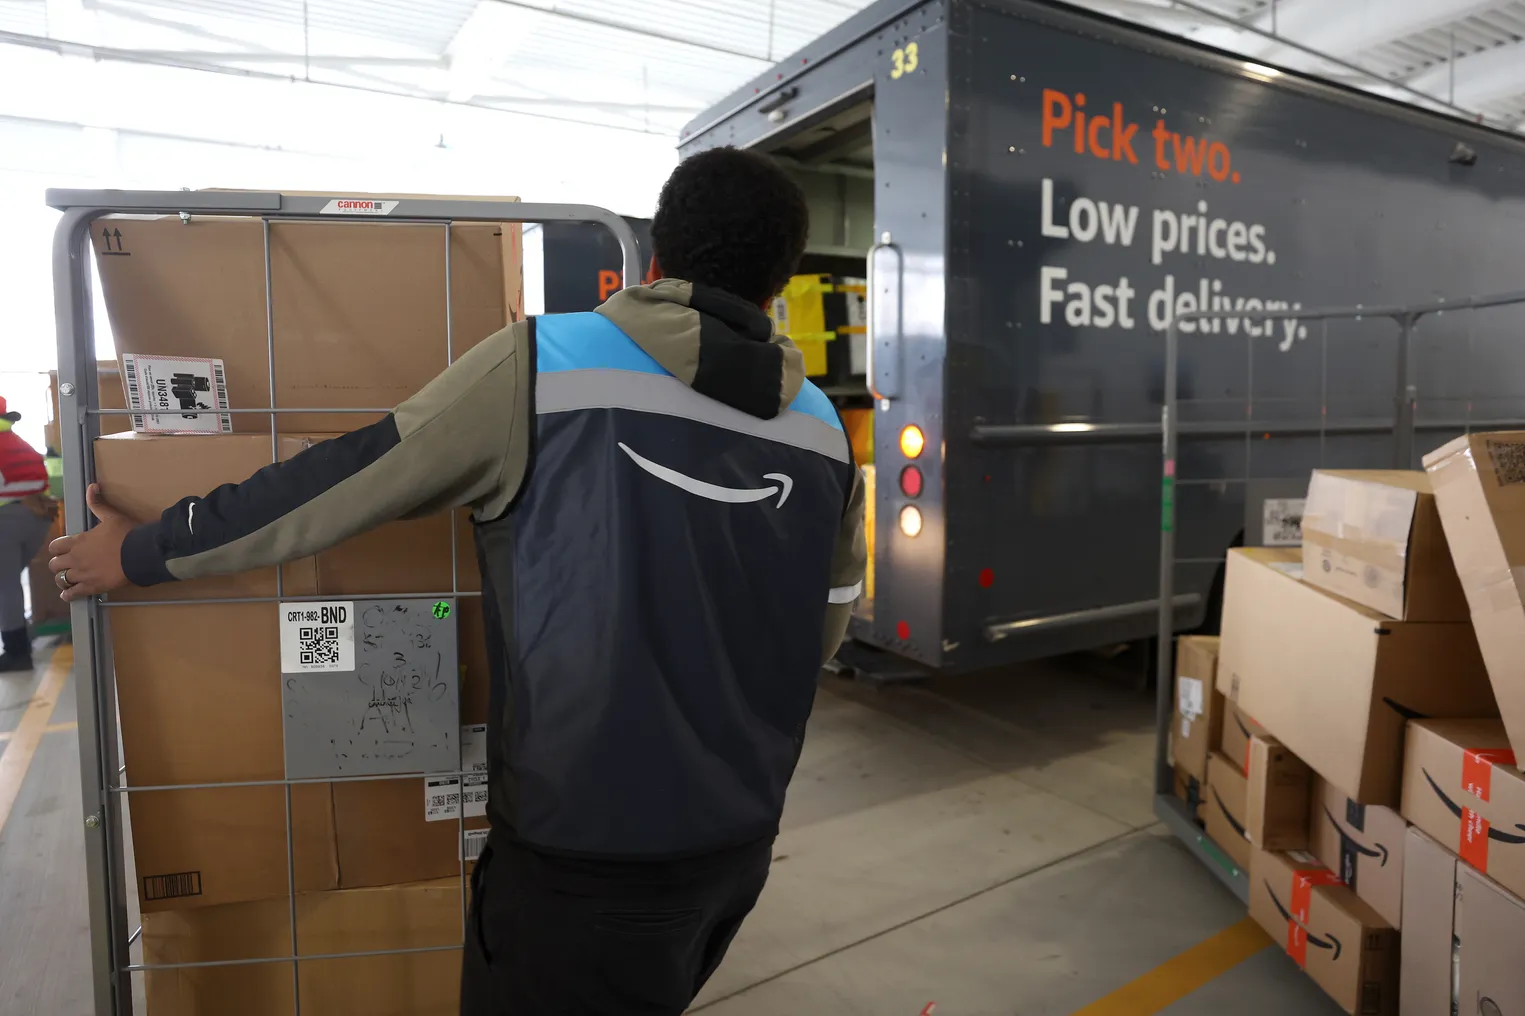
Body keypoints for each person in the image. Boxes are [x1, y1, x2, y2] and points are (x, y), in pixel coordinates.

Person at [47, 147, 867, 1015]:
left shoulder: (547, 366)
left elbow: (339, 483)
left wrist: (144, 552)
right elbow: (822, 627)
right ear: (778, 286)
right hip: (735, 847)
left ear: (655, 258)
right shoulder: (819, 431)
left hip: (576, 853)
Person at [0, 396, 53, 673]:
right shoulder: (17, 442)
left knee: (5, 587)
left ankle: (17, 652)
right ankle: (18, 641)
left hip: (7, 520)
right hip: (36, 518)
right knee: (8, 585)